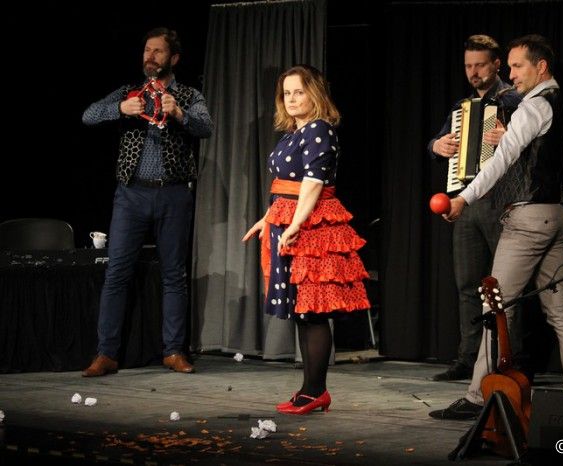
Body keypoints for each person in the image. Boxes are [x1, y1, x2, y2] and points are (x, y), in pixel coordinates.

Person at [431, 34, 563, 419]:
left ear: (541, 67)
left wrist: (463, 198)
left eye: (518, 66)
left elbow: (499, 160)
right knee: (560, 309)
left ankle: (476, 397)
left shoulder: (532, 108)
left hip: (529, 218)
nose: (513, 74)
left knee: (495, 303)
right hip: (558, 216)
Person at [81, 27, 213, 377]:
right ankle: (106, 354)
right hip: (132, 195)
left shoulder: (187, 94)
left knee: (173, 275)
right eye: (146, 50)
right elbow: (88, 115)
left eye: (158, 51)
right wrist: (119, 109)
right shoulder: (129, 92)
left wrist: (180, 114)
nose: (150, 56)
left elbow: (206, 127)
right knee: (117, 273)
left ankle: (173, 351)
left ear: (173, 58)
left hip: (173, 194)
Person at [243, 65, 370, 415]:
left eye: (299, 92)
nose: (292, 99)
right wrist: (267, 219)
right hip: (291, 221)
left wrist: (296, 224)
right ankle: (309, 389)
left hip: (313, 228)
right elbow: (284, 188)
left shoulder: (318, 129)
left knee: (313, 311)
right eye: (287, 93)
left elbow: (313, 183)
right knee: (303, 311)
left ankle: (316, 391)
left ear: (315, 94)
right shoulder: (293, 133)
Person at [427, 35, 521, 382]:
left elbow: (537, 148)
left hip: (503, 202)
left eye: (480, 65)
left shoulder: (515, 100)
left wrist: (509, 137)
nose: (473, 72)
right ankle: (468, 358)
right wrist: (437, 146)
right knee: (468, 284)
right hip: (466, 201)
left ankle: (511, 360)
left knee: (507, 286)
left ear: (497, 64)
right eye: (468, 66)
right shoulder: (462, 107)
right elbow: (436, 144)